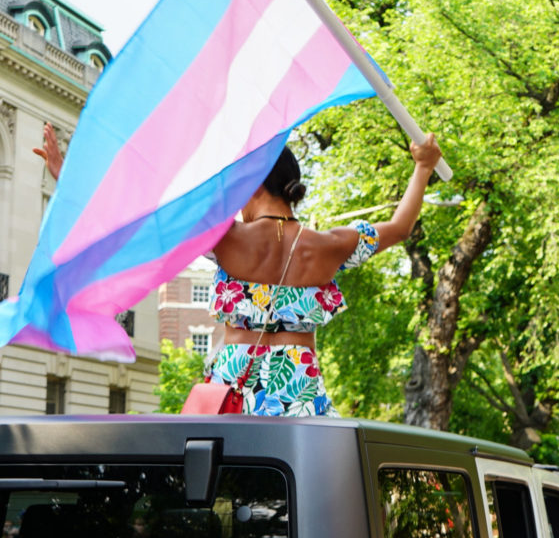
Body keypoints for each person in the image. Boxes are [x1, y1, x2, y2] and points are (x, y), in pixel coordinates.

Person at [35, 123, 443, 415]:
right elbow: (401, 227)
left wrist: (69, 183)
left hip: (232, 382)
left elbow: (139, 224)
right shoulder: (330, 245)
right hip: (298, 383)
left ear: (254, 185)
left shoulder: (224, 237)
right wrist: (422, 167)